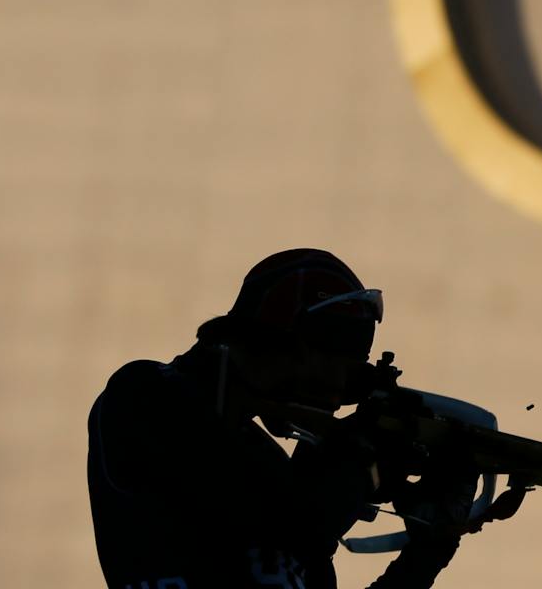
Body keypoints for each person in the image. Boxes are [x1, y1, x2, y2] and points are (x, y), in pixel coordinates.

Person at [87, 249, 478, 589]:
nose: (333, 397)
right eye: (334, 369)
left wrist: (430, 549)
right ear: (285, 341)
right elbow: (296, 521)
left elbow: (294, 517)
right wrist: (358, 460)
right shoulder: (144, 394)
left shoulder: (264, 462)